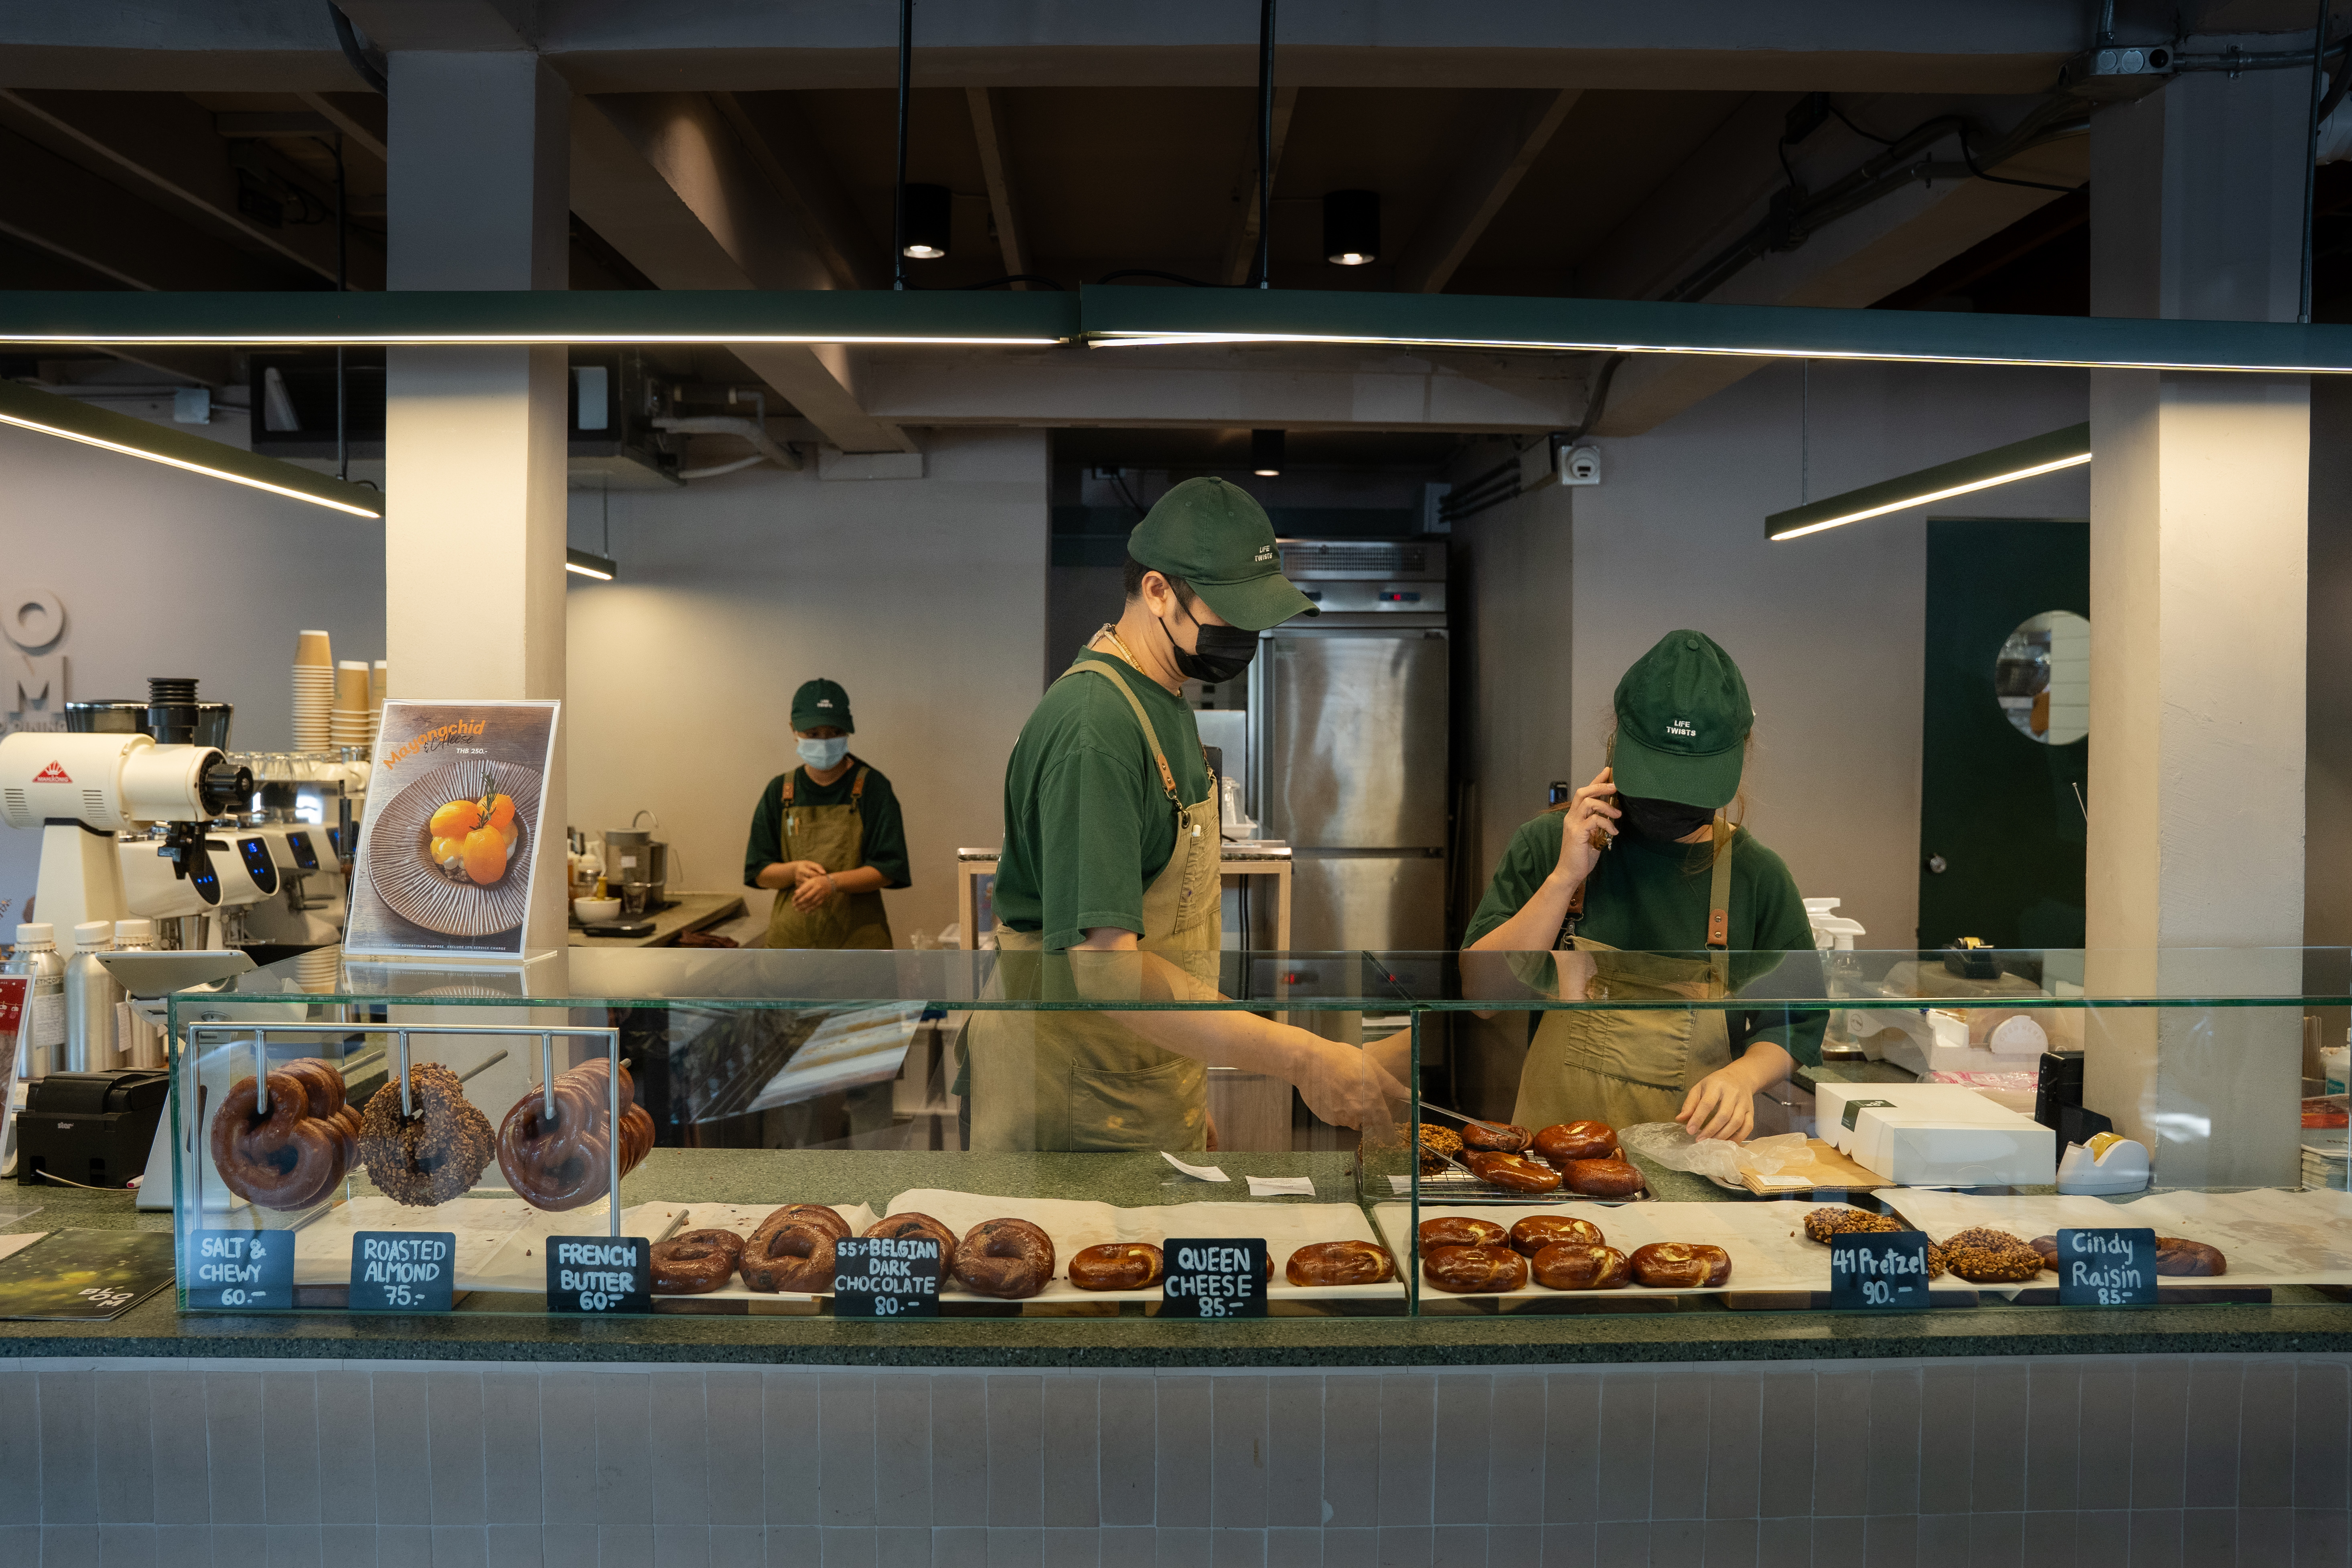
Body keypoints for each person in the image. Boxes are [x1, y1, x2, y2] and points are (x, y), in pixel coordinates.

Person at [963, 477, 1405, 1152]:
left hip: (1136, 1082)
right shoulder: (1095, 728)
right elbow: (1105, 967)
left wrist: (1179, 1089)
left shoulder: (1161, 695)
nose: (1244, 634)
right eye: (1230, 611)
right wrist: (1300, 1056)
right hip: (1074, 1108)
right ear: (1156, 591)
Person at [1461, 630, 1824, 1143]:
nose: (1669, 803)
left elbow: (1795, 1023)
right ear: (1617, 744)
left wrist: (1743, 1076)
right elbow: (1482, 996)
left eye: (1689, 786)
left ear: (1735, 759)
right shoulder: (1548, 845)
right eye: (1657, 779)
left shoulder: (1755, 876)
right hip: (1555, 1173)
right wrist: (1565, 878)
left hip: (1691, 1175)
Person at [744, 678, 909, 949]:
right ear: (794, 730)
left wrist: (832, 883)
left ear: (847, 731)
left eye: (834, 732)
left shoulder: (873, 787)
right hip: (793, 948)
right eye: (813, 733)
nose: (824, 741)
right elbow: (760, 872)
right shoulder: (780, 791)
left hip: (858, 949)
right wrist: (794, 870)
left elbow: (889, 869)